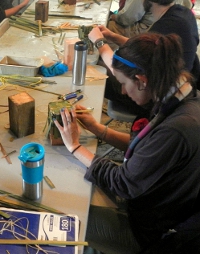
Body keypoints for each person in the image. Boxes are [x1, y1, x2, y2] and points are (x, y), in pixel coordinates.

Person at [54, 33, 200, 253]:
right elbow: (146, 150)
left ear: (141, 81)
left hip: (151, 232)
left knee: (67, 215)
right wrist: (98, 128)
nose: (122, 91)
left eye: (123, 83)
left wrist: (75, 146)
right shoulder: (183, 96)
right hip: (159, 203)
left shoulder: (176, 129)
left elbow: (122, 183)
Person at [89, 0, 200, 115]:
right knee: (101, 60)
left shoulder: (164, 27)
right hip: (182, 88)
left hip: (155, 100)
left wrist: (100, 43)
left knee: (94, 69)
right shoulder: (182, 13)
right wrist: (113, 36)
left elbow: (125, 72)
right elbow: (142, 51)